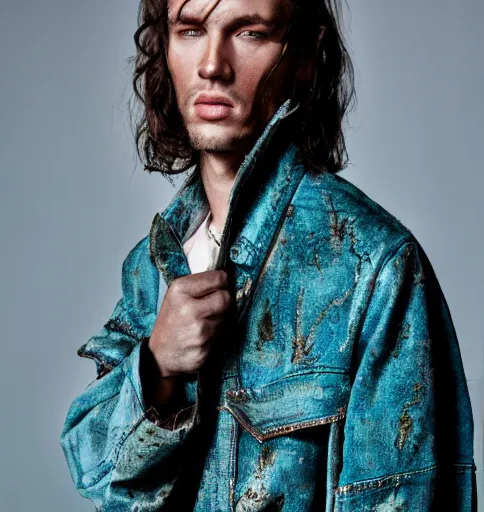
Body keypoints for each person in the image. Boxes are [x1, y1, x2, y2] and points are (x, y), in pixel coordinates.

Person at [60, 0, 478, 510]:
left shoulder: (374, 267)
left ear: (306, 54)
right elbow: (94, 471)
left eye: (249, 33)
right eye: (190, 30)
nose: (212, 64)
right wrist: (158, 367)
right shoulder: (151, 265)